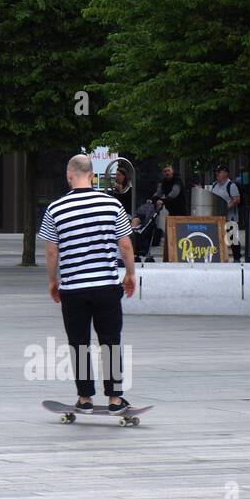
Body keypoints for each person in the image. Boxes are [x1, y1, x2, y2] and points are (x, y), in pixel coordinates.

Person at [39, 154, 137, 414]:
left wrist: (52, 281)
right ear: (93, 176)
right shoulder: (112, 205)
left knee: (79, 342)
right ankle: (115, 399)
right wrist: (130, 273)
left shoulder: (55, 208)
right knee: (110, 340)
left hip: (73, 289)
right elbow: (125, 243)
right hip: (106, 285)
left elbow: (51, 251)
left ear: (69, 175)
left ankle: (84, 398)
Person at [149, 163, 187, 256]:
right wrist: (152, 199)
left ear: (172, 171)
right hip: (171, 210)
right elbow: (158, 192)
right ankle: (173, 251)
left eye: (168, 170)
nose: (167, 173)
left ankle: (182, 251)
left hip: (180, 210)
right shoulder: (163, 182)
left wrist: (162, 200)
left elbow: (174, 193)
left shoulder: (177, 181)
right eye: (165, 171)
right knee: (172, 231)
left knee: (181, 231)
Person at [208, 164, 242, 261]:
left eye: (219, 172)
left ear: (225, 173)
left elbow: (236, 199)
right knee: (218, 237)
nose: (217, 174)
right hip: (217, 217)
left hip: (230, 217)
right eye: (216, 172)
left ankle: (237, 258)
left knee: (232, 238)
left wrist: (225, 208)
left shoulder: (231, 185)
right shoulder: (214, 184)